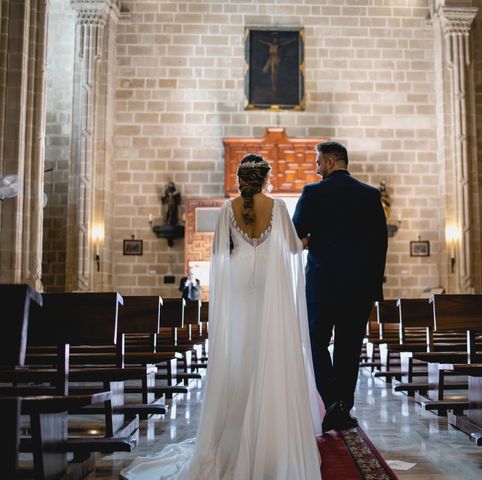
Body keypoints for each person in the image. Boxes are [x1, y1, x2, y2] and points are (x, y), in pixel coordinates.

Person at [120, 154, 322, 480]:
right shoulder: (279, 208)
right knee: (268, 353)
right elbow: (294, 249)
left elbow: (218, 256)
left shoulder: (227, 210)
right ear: (266, 178)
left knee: (240, 356)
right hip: (269, 289)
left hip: (241, 286)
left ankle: (233, 434)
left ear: (242, 178)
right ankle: (269, 441)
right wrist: (312, 239)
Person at [293, 141, 388, 432]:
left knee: (316, 343)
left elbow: (295, 235)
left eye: (318, 161)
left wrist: (310, 240)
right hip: (358, 289)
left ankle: (333, 402)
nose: (316, 167)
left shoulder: (312, 193)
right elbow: (380, 245)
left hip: (322, 286)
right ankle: (342, 407)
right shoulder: (370, 195)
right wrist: (374, 289)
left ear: (331, 162)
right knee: (349, 348)